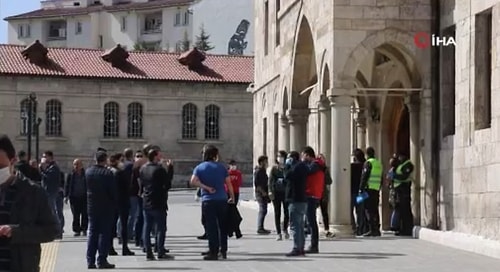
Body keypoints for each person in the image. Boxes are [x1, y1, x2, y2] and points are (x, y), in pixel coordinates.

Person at [0, 135, 59, 271]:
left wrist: (16, 232)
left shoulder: (33, 192)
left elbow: (51, 230)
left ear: (13, 161)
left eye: (0, 166)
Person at [190, 145, 235, 261]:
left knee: (211, 226)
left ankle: (213, 251)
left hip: (208, 200)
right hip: (222, 199)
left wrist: (206, 187)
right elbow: (229, 184)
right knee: (222, 226)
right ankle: (223, 250)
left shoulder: (200, 167)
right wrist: (232, 197)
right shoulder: (221, 168)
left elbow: (193, 181)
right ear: (215, 155)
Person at [139, 146, 174, 260]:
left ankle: (148, 251)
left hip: (147, 200)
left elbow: (142, 184)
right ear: (154, 156)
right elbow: (167, 184)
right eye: (159, 155)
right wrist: (170, 168)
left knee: (147, 227)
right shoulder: (159, 169)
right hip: (158, 201)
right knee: (160, 228)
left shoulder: (143, 168)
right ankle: (160, 251)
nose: (161, 157)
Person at [85, 150, 117, 269]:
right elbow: (113, 192)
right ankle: (102, 259)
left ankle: (90, 260)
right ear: (105, 159)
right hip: (106, 207)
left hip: (92, 206)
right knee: (104, 233)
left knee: (92, 232)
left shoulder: (88, 172)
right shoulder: (108, 173)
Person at [284, 151, 308, 257]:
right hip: (303, 199)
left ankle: (297, 248)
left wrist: (287, 166)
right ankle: (301, 247)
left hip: (295, 199)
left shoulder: (295, 168)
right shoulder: (303, 167)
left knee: (295, 226)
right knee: (300, 225)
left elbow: (287, 176)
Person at [301, 146, 325, 253]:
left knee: (311, 221)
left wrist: (301, 164)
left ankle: (314, 245)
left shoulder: (315, 165)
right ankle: (313, 244)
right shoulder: (317, 164)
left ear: (307, 155)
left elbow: (307, 172)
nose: (303, 158)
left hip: (311, 194)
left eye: (303, 155)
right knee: (310, 221)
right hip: (313, 194)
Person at [359, 147, 382, 237]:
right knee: (375, 209)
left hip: (368, 189)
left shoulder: (368, 163)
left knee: (368, 209)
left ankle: (372, 229)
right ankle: (377, 229)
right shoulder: (378, 163)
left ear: (367, 154)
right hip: (376, 189)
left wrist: (361, 188)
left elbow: (364, 176)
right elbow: (381, 177)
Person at [40, 151, 63, 239]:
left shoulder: (54, 168)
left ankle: (58, 231)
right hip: (48, 192)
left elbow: (48, 178)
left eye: (45, 156)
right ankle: (54, 231)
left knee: (54, 212)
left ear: (50, 157)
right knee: (51, 212)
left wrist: (42, 169)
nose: (44, 158)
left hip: (51, 192)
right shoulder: (50, 167)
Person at [390, 153, 414, 236]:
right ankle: (402, 229)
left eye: (399, 156)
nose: (399, 158)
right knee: (400, 210)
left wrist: (394, 176)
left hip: (404, 189)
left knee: (405, 210)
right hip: (399, 190)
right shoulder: (400, 165)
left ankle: (407, 229)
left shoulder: (408, 164)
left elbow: (404, 177)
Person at [269, 150, 289, 241]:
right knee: (277, 213)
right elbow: (270, 181)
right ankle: (278, 233)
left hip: (285, 192)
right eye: (278, 156)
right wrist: (270, 191)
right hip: (276, 192)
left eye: (281, 156)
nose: (279, 158)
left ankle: (285, 229)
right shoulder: (274, 169)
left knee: (286, 213)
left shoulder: (287, 168)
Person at [64, 158, 88, 236]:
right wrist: (66, 196)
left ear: (82, 165)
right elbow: (67, 186)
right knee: (76, 214)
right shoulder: (71, 175)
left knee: (85, 214)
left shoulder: (86, 174)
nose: (76, 166)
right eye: (75, 164)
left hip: (84, 197)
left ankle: (84, 229)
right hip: (74, 197)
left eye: (78, 164)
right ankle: (77, 230)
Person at [351, 148, 368, 235]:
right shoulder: (365, 165)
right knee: (360, 211)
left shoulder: (352, 166)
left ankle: (353, 227)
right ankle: (360, 228)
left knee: (350, 211)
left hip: (353, 192)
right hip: (362, 192)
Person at [317, 154, 334, 238]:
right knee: (324, 213)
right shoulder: (323, 169)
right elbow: (329, 181)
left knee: (323, 212)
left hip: (320, 193)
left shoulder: (323, 169)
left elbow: (329, 181)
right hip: (320, 192)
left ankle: (326, 229)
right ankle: (325, 229)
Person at [254, 155, 271, 234]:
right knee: (262, 209)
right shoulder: (259, 171)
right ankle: (260, 228)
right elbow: (257, 184)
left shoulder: (263, 171)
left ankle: (261, 227)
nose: (267, 163)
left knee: (264, 210)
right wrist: (263, 192)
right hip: (260, 193)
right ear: (261, 162)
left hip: (263, 192)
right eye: (265, 162)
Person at [227, 160, 242, 239]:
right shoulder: (227, 173)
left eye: (234, 165)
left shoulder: (238, 173)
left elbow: (239, 183)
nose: (233, 166)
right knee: (232, 213)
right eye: (232, 165)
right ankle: (236, 231)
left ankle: (231, 231)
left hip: (236, 193)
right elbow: (226, 183)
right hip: (228, 193)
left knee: (233, 212)